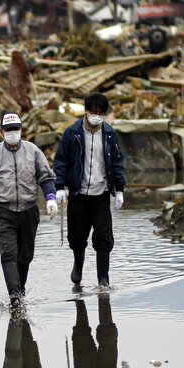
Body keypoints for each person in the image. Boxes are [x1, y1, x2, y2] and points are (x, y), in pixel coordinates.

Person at [0, 113, 58, 308]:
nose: (13, 133)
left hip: (29, 210)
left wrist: (51, 199)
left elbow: (46, 178)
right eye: (9, 130)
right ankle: (14, 297)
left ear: (21, 130)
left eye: (16, 130)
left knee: (25, 256)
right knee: (9, 253)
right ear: (2, 132)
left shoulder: (33, 151)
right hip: (3, 212)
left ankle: (20, 291)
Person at [52, 92, 126, 288]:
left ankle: (103, 278)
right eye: (93, 112)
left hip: (101, 194)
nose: (96, 116)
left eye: (100, 113)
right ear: (85, 111)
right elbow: (60, 161)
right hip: (78, 193)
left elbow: (117, 162)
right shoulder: (72, 133)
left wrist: (119, 189)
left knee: (103, 237)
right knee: (77, 236)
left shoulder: (109, 134)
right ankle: (78, 266)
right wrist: (59, 187)